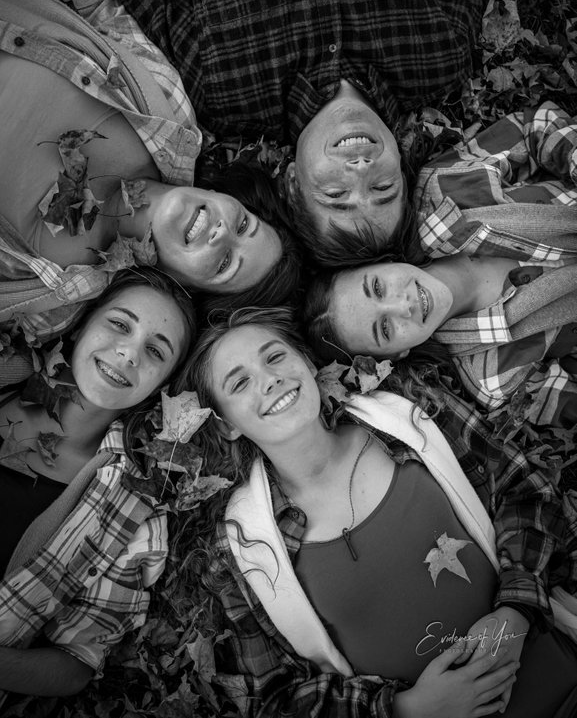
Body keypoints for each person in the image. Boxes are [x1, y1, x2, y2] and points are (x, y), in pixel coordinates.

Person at [170, 306, 577, 718]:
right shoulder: (242, 545)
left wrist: (516, 611)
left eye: (275, 357)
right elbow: (274, 699)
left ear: (307, 363)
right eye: (240, 383)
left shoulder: (408, 415)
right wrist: (408, 709)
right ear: (226, 424)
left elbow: (523, 488)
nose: (270, 379)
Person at [92, 0, 494, 261]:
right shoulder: (438, 54)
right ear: (405, 172)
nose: (361, 168)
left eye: (335, 194)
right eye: (383, 188)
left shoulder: (224, 89)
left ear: (291, 184)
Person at [0, 0, 302, 384]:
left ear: (184, 287)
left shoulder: (57, 298)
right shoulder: (168, 114)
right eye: (243, 225)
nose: (222, 233)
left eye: (224, 264)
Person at [0, 266, 196, 705]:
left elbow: (75, 663)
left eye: (155, 351)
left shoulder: (131, 507)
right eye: (120, 324)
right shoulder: (4, 373)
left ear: (162, 386)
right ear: (80, 324)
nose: (129, 353)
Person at [303, 254, 577, 432]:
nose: (403, 306)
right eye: (385, 328)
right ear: (398, 354)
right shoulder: (496, 376)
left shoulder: (444, 200)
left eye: (377, 287)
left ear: (380, 262)